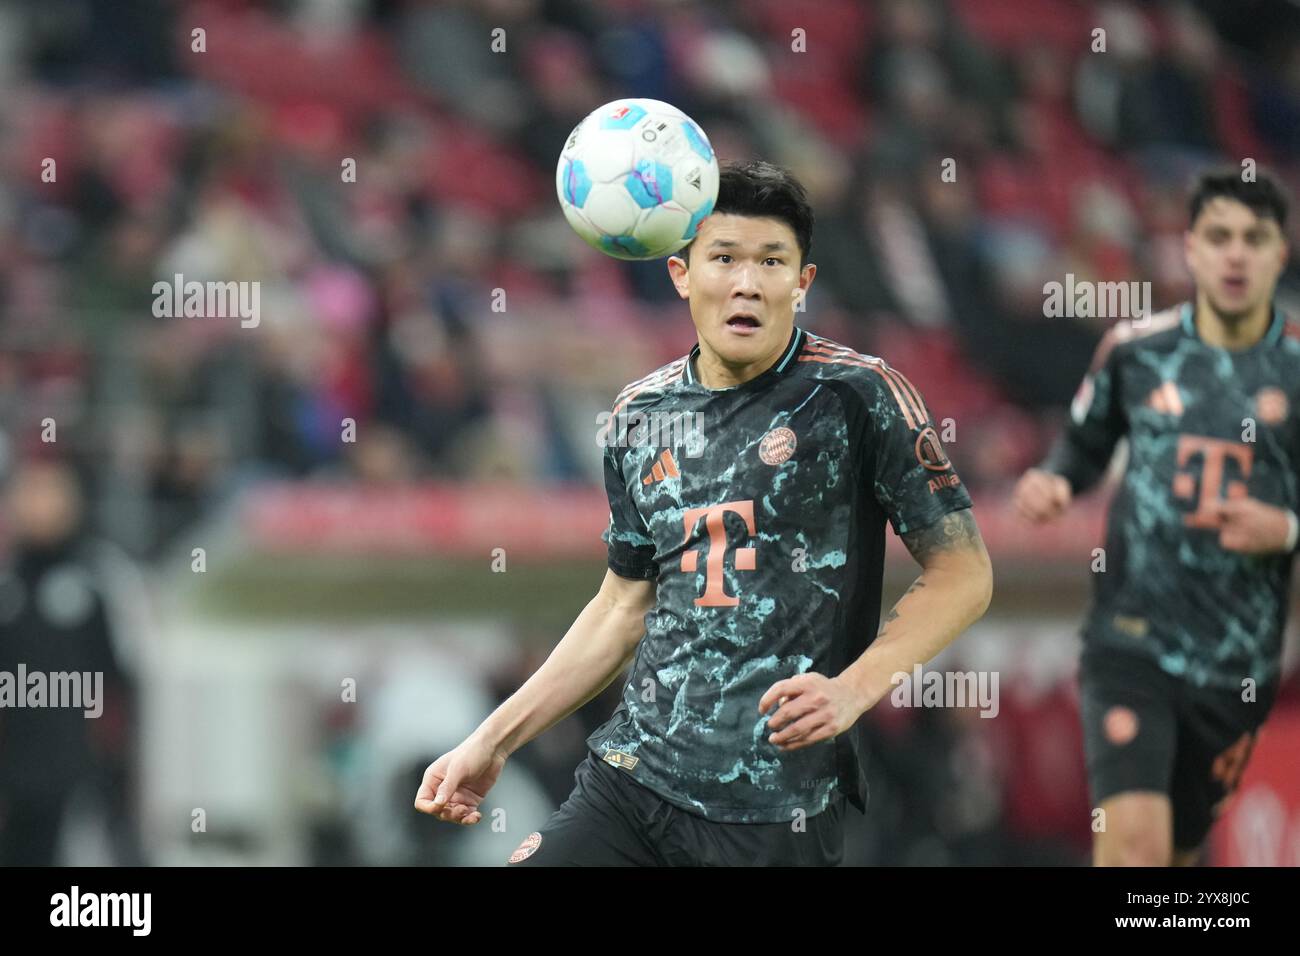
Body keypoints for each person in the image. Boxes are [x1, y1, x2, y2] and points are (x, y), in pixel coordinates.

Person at [416, 160, 993, 865]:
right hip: (631, 780)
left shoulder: (858, 396)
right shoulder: (639, 414)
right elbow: (623, 607)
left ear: (802, 282)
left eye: (772, 261)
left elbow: (963, 571)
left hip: (776, 807)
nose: (747, 281)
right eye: (724, 257)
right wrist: (490, 742)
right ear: (682, 273)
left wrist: (853, 691)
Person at [1014, 170, 1297, 866]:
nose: (1236, 255)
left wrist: (1286, 529)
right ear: (1191, 249)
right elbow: (1083, 444)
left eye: (1254, 240)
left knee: (1175, 856)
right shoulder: (1135, 352)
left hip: (1238, 659)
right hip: (1132, 640)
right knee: (1132, 848)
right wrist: (1053, 481)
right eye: (1219, 237)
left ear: (1279, 255)